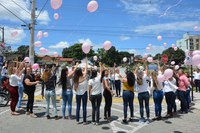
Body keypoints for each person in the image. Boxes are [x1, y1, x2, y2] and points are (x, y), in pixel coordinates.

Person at [73, 59, 88, 125]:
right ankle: (84, 121)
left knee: (78, 107)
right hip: (84, 93)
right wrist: (86, 63)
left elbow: (75, 89)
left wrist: (76, 65)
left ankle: (77, 120)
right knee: (84, 107)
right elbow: (86, 70)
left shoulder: (75, 79)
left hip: (78, 94)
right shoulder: (84, 76)